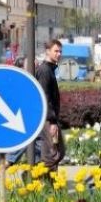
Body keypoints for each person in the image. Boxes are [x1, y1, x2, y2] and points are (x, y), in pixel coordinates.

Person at [36, 39, 65, 172]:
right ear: (48, 51)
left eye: (60, 51)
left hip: (51, 117)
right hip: (47, 118)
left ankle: (42, 177)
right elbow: (45, 97)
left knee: (58, 151)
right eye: (56, 51)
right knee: (52, 153)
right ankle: (42, 179)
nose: (59, 54)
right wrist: (51, 120)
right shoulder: (44, 70)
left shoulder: (50, 69)